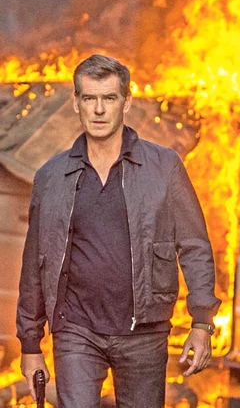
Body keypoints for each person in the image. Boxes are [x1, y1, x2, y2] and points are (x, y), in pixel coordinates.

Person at [16, 54, 222, 407]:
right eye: (89, 98)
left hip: (145, 333)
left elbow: (194, 245)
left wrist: (202, 324)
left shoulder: (163, 167)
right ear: (77, 103)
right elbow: (36, 262)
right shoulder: (51, 177)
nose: (99, 110)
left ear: (126, 102)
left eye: (109, 98)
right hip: (76, 331)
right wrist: (30, 344)